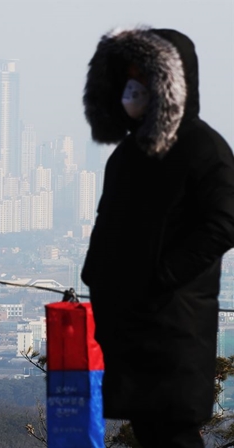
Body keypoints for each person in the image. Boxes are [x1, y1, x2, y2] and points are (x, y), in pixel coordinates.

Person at [81, 27, 234, 447]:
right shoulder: (130, 154)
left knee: (174, 431)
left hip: (175, 321)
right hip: (130, 320)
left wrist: (163, 276)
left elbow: (224, 223)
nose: (133, 87)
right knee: (149, 429)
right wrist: (96, 275)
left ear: (170, 83)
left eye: (143, 76)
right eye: (127, 76)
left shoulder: (204, 147)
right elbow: (108, 222)